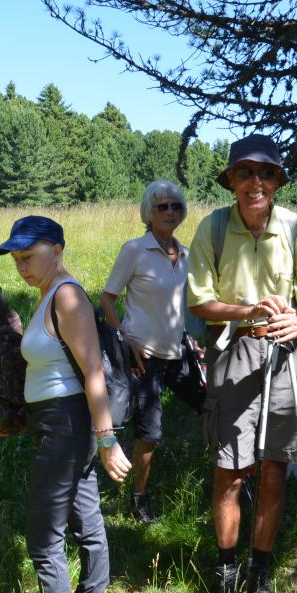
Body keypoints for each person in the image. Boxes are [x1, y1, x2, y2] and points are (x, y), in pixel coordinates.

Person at [187, 134, 297, 593]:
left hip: (286, 354)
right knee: (230, 471)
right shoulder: (213, 228)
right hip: (233, 350)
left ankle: (259, 581)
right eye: (245, 172)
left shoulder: (294, 227)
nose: (255, 182)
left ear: (277, 181)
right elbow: (199, 302)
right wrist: (248, 310)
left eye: (265, 173)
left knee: (273, 470)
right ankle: (225, 580)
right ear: (231, 181)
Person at [0, 216, 132, 593]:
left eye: (28, 256)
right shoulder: (50, 293)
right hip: (60, 422)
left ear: (56, 249)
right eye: (15, 259)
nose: (21, 267)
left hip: (67, 424)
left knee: (42, 533)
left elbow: (94, 370)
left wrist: (106, 437)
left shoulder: (68, 295)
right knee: (85, 513)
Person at [101, 180, 191, 524]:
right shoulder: (135, 250)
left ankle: (236, 479)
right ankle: (139, 497)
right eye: (162, 207)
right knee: (149, 432)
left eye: (175, 206)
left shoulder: (185, 254)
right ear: (149, 213)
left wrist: (193, 339)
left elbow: (187, 304)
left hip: (179, 352)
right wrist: (125, 340)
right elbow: (107, 298)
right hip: (145, 356)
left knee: (212, 403)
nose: (169, 212)